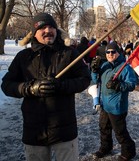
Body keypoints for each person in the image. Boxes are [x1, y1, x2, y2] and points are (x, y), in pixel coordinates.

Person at [1, 13, 91, 161]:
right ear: (34, 33)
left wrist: (61, 86)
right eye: (42, 27)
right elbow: (7, 85)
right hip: (34, 131)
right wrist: (30, 88)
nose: (48, 30)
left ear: (57, 30)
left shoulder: (69, 54)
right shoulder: (24, 57)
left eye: (51, 27)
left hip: (65, 130)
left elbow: (85, 79)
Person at [91, 41, 137, 161]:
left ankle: (129, 152)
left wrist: (118, 85)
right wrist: (94, 70)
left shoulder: (125, 67)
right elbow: (95, 80)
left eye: (113, 52)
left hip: (118, 106)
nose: (110, 54)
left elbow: (132, 85)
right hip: (105, 104)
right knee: (104, 128)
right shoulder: (105, 65)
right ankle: (106, 147)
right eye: (108, 52)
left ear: (118, 52)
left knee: (120, 132)